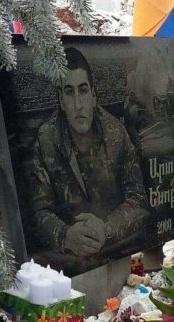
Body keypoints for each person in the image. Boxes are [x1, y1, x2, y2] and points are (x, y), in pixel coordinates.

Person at [30, 47, 150, 261]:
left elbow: (139, 199)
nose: (78, 104)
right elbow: (37, 211)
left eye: (83, 90)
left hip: (116, 251)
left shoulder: (116, 133)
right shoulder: (47, 139)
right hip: (68, 260)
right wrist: (65, 236)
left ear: (94, 97)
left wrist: (106, 229)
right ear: (61, 101)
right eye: (69, 92)